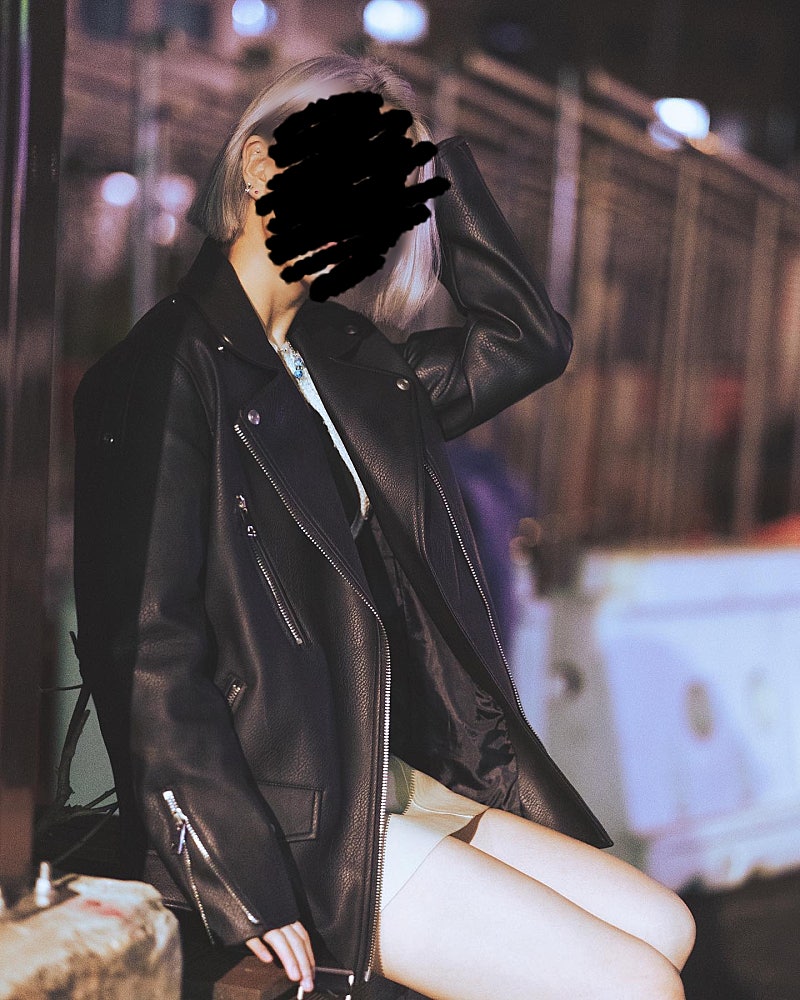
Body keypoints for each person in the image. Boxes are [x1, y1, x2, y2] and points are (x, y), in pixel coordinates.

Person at [72, 54, 695, 1000]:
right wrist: (232, 870)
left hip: (378, 771)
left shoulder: (346, 365)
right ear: (258, 165)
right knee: (634, 985)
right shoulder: (163, 369)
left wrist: (438, 159)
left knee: (665, 925)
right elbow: (146, 648)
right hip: (282, 811)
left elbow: (526, 340)